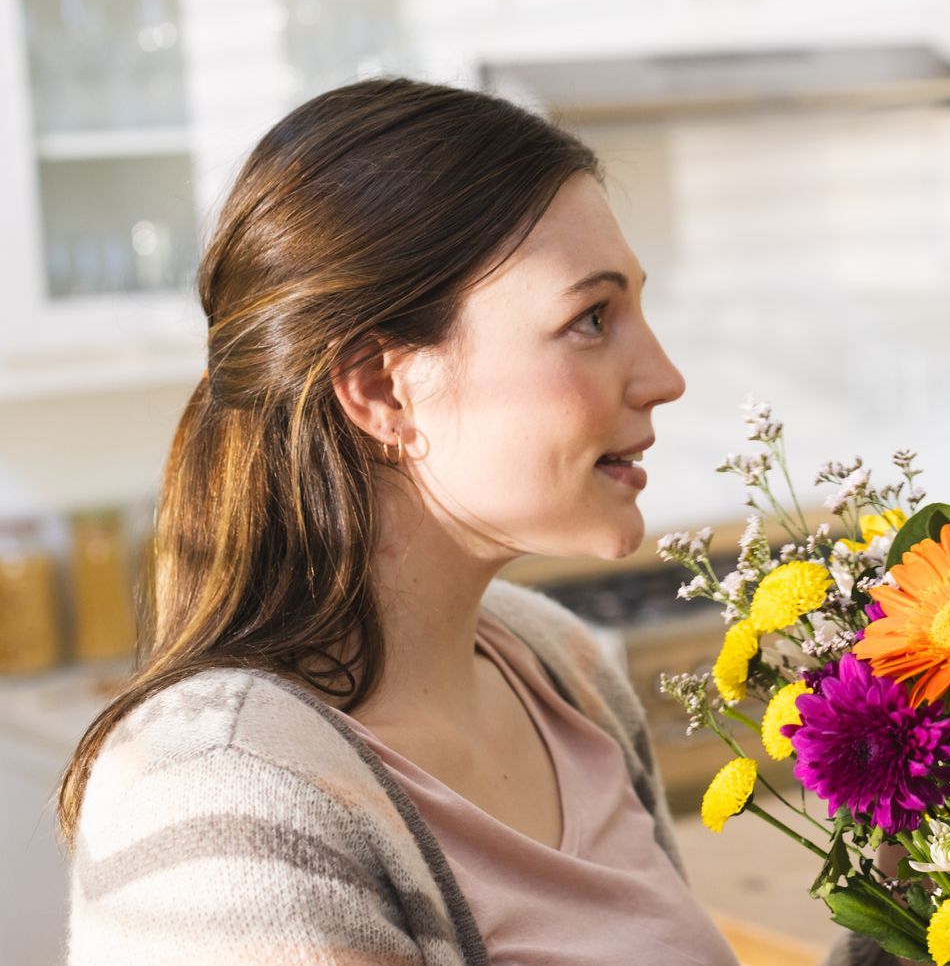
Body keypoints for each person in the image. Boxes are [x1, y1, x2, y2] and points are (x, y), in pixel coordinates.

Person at [58, 79, 838, 966]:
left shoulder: (560, 668)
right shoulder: (222, 797)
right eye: (591, 318)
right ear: (383, 388)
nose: (663, 375)